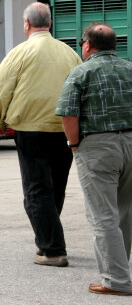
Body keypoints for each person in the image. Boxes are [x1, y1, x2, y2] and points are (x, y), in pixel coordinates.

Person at [0, 2, 82, 267]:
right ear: (50, 23)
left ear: (26, 24)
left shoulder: (20, 53)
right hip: (65, 129)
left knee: (36, 190)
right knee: (56, 188)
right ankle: (45, 241)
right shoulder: (69, 53)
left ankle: (53, 249)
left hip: (31, 130)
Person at [56, 23, 132, 295]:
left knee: (103, 217)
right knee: (125, 212)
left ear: (87, 44)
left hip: (98, 146)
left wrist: (74, 145)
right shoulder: (130, 68)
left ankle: (117, 281)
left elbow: (68, 113)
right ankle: (120, 271)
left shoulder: (80, 72)